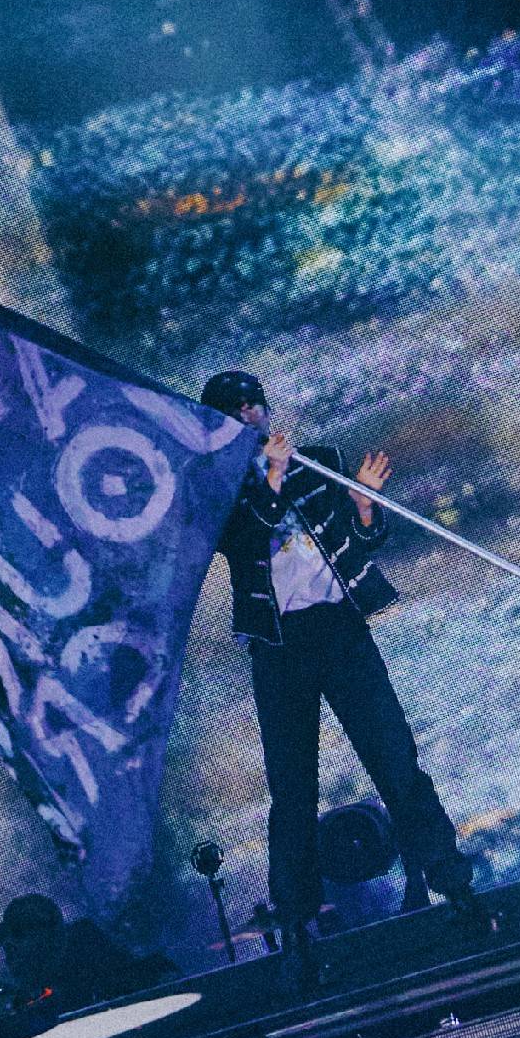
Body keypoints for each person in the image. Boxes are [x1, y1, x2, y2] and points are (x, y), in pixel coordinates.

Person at [202, 371, 476, 960]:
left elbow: (363, 542)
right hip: (279, 646)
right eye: (236, 410)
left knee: (395, 759)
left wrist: (364, 504)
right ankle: (297, 920)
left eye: (255, 404)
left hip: (339, 628)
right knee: (292, 787)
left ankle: (451, 881)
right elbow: (245, 539)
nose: (251, 416)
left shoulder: (318, 462)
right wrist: (271, 477)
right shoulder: (217, 492)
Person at [0, 893, 159, 1020]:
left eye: (20, 935)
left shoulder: (91, 951)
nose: (10, 957)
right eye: (8, 949)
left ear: (50, 935)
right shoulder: (16, 998)